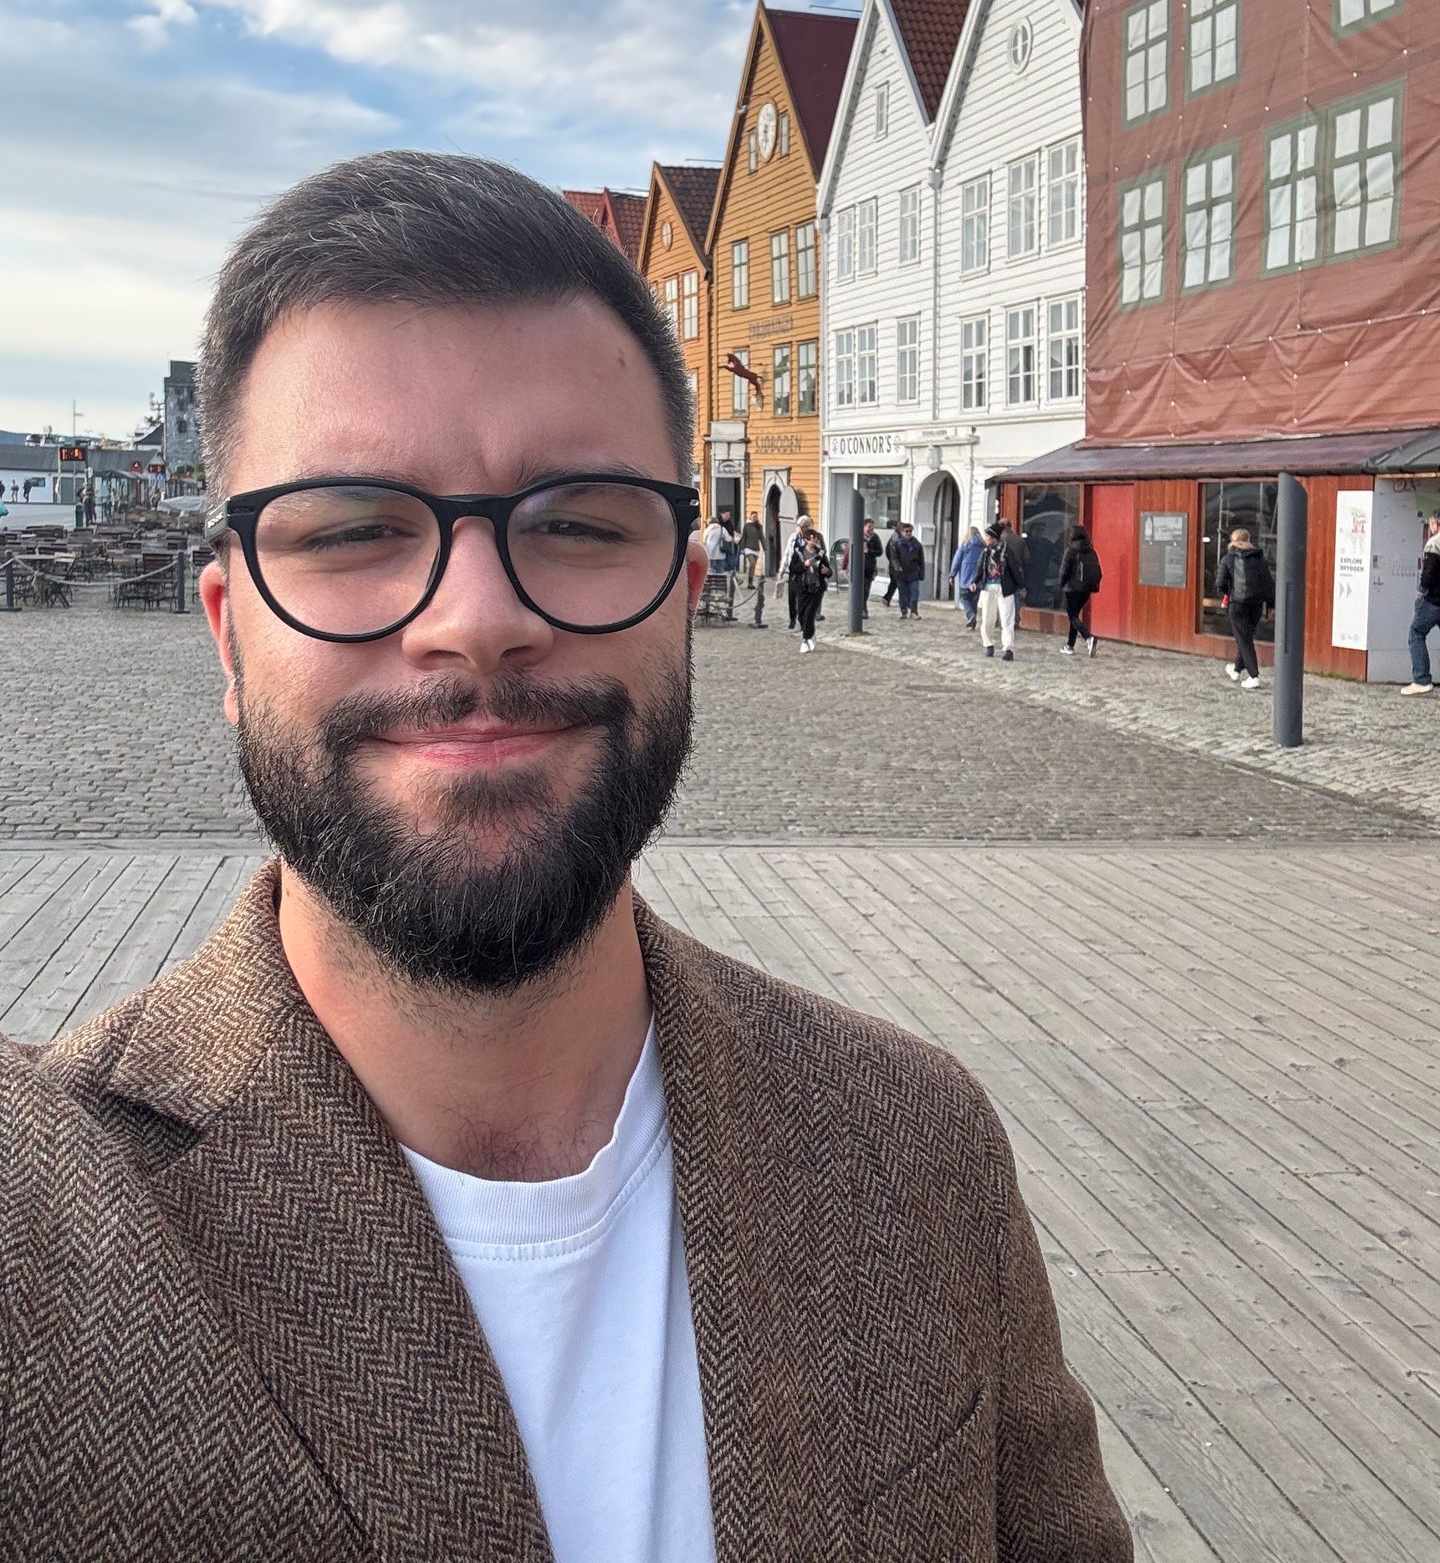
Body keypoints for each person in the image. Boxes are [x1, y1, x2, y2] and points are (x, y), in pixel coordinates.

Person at [0, 153, 1130, 1562]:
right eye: (353, 529)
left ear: (685, 601)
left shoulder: (916, 1146)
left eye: (580, 523)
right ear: (230, 634)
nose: (476, 619)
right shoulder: (36, 1233)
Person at [1216, 527, 1274, 690]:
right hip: (1256, 606)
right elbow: (1269, 584)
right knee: (1245, 638)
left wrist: (1229, 593)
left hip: (1238, 605)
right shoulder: (1259, 559)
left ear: (1233, 541)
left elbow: (1220, 584)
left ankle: (1253, 676)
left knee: (1244, 640)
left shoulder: (1228, 558)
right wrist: (1271, 605)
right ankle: (1235, 670)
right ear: (1248, 540)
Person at [1400, 511, 1440, 696]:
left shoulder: (1434, 543)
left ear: (1436, 524)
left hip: (1433, 601)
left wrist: (1421, 592)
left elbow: (1428, 574)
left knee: (1416, 633)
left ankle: (1422, 680)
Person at [978, 524, 1023, 661]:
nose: (985, 538)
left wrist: (1021, 585)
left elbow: (1014, 569)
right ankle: (988, 644)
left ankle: (1008, 648)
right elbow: (980, 568)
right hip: (988, 588)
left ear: (994, 538)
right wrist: (974, 581)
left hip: (1005, 588)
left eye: (987, 536)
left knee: (1007, 618)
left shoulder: (1007, 551)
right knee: (988, 618)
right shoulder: (985, 552)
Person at [1056, 525, 1102, 657]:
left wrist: (1060, 584)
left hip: (1072, 588)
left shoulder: (1070, 550)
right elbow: (1098, 571)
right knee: (1075, 616)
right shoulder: (1091, 551)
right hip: (1087, 589)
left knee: (1072, 616)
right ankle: (1070, 645)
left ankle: (1088, 637)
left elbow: (1064, 570)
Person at [789, 525, 831, 653]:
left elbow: (829, 571)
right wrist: (804, 565)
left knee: (809, 614)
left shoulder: (821, 554)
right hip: (802, 587)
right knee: (801, 615)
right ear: (806, 540)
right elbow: (792, 568)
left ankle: (805, 640)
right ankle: (811, 635)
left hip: (816, 588)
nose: (815, 541)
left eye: (816, 539)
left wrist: (826, 571)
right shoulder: (799, 553)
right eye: (812, 539)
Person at [778, 511, 813, 634]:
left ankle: (802, 622)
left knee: (801, 598)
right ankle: (792, 619)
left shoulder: (810, 538)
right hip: (792, 571)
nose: (800, 529)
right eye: (799, 526)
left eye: (803, 527)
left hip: (804, 572)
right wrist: (782, 570)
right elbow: (787, 553)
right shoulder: (793, 538)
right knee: (792, 598)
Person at [995, 517, 1027, 633]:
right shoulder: (1019, 540)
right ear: (1010, 526)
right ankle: (1015, 620)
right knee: (1016, 596)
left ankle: (1001, 619)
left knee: (1000, 595)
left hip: (1000, 571)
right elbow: (1027, 557)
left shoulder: (997, 540)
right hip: (1017, 570)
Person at [889, 521, 925, 620]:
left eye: (910, 531)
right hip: (901, 573)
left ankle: (914, 611)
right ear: (902, 532)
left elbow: (921, 560)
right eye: (906, 531)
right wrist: (897, 566)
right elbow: (894, 558)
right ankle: (904, 611)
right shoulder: (897, 544)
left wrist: (921, 573)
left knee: (914, 592)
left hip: (914, 572)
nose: (908, 533)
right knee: (903, 593)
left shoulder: (917, 545)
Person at [950, 526, 984, 628]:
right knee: (974, 600)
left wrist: (952, 574)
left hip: (966, 577)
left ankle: (971, 615)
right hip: (978, 578)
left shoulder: (965, 546)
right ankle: (972, 621)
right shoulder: (983, 546)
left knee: (964, 597)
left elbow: (956, 561)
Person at [740, 510, 763, 589]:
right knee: (752, 563)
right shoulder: (747, 526)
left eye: (756, 517)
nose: (755, 518)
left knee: (753, 566)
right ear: (751, 517)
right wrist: (742, 548)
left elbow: (761, 537)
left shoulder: (759, 526)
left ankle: (750, 582)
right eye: (754, 517)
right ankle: (750, 580)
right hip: (748, 548)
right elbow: (744, 537)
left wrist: (765, 548)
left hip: (756, 548)